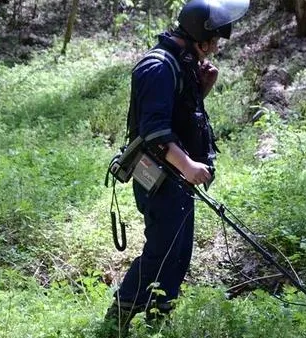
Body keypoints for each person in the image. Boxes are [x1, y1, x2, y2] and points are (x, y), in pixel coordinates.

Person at [100, 0, 249, 336]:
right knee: (161, 248)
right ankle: (117, 318)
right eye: (215, 40)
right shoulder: (158, 67)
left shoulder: (183, 63)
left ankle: (159, 317)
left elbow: (178, 116)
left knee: (179, 251)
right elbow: (153, 130)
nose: (217, 47)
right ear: (202, 39)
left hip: (175, 176)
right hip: (158, 174)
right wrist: (188, 164)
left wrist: (202, 90)